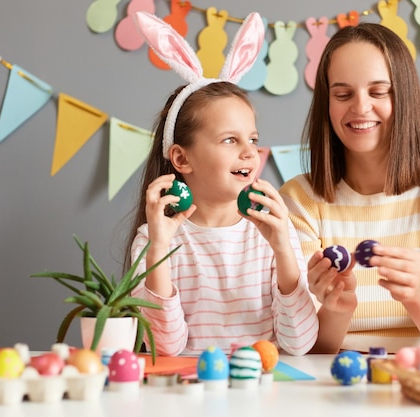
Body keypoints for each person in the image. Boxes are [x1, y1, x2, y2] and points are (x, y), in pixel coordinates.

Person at [279, 22, 420, 354]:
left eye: (378, 92)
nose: (360, 107)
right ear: (326, 105)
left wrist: (415, 291)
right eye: (343, 94)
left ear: (403, 97)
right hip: (332, 387)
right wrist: (336, 307)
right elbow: (306, 351)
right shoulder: (299, 200)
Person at [123, 11, 318, 357]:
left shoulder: (274, 235)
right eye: (230, 140)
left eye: (253, 139)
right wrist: (158, 251)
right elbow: (165, 347)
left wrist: (284, 250)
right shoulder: (153, 241)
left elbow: (299, 343)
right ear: (182, 159)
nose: (250, 152)